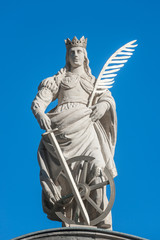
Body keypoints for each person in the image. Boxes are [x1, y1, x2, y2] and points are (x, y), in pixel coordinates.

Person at [31, 36, 117, 229]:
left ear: (85, 56)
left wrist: (103, 105)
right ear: (67, 56)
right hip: (63, 129)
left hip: (87, 126)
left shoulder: (94, 82)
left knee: (97, 167)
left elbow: (107, 98)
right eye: (72, 52)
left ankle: (100, 220)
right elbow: (41, 100)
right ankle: (72, 220)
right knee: (66, 178)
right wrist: (40, 113)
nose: (75, 55)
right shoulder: (59, 79)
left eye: (79, 52)